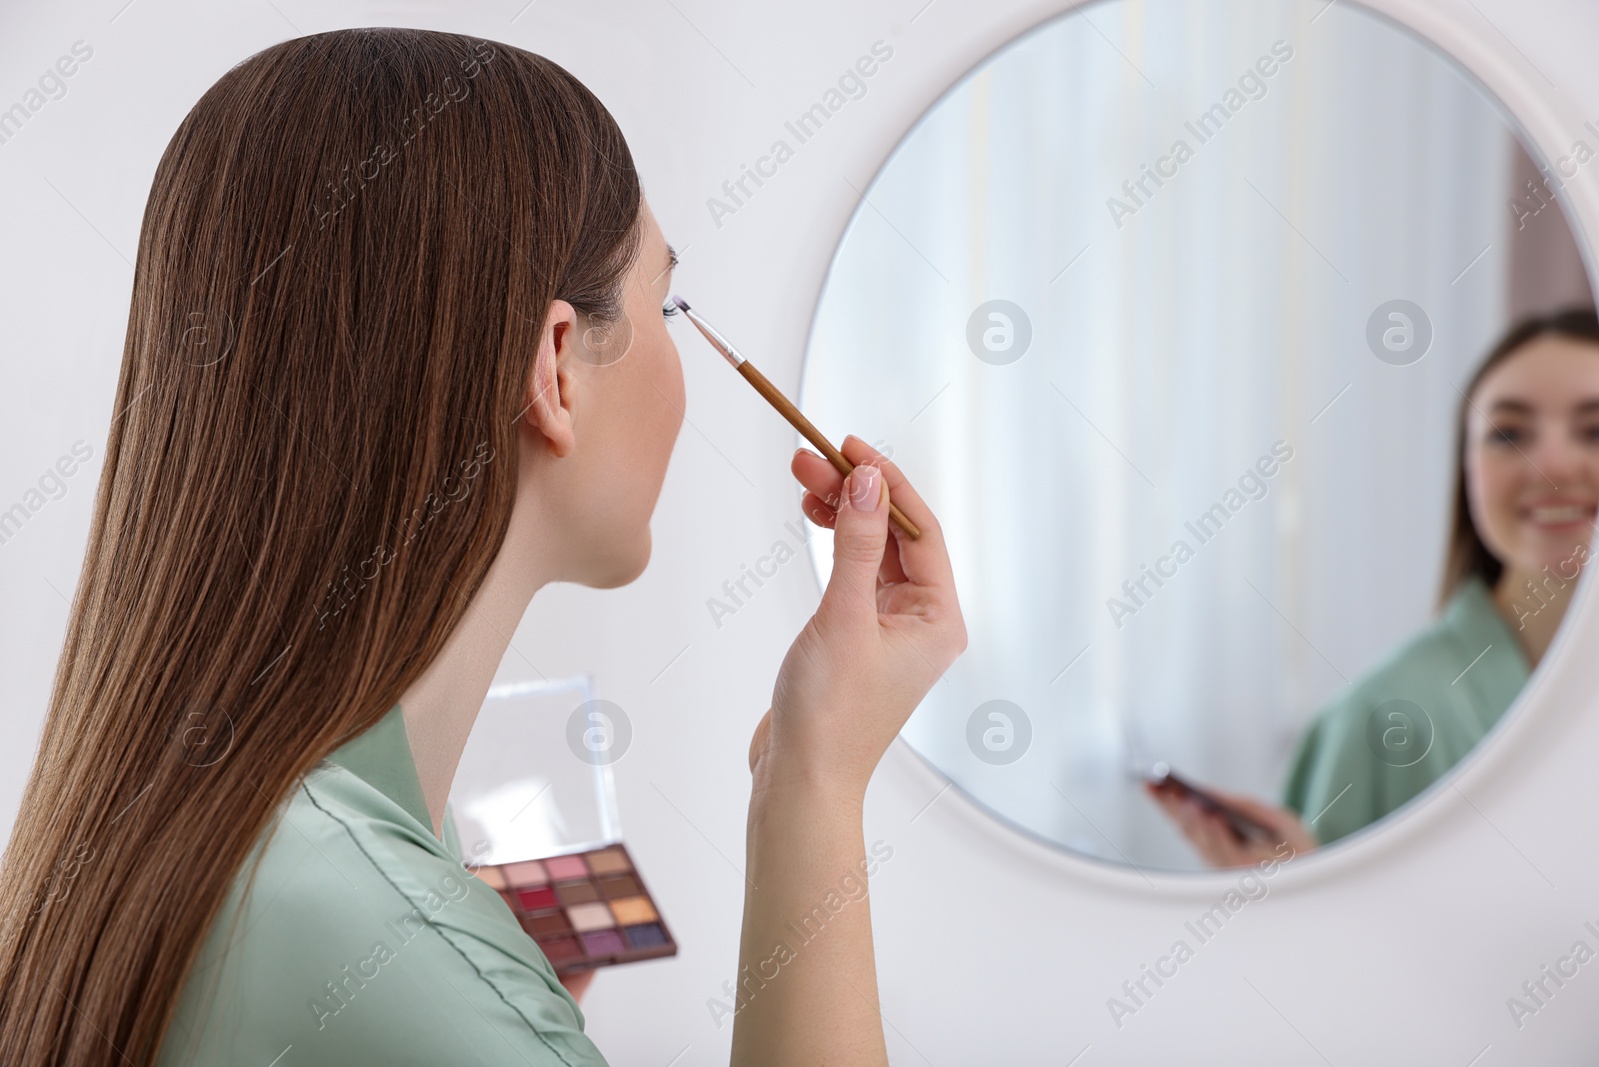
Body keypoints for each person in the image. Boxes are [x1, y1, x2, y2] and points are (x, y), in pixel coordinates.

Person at [0, 29, 966, 1066]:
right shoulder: (388, 945)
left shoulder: (223, 832)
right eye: (667, 304)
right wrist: (810, 782)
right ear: (556, 366)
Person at [1150, 307, 1599, 868]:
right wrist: (1303, 896)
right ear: (1467, 471)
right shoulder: (1387, 721)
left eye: (1597, 429)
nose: (1552, 464)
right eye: (1508, 434)